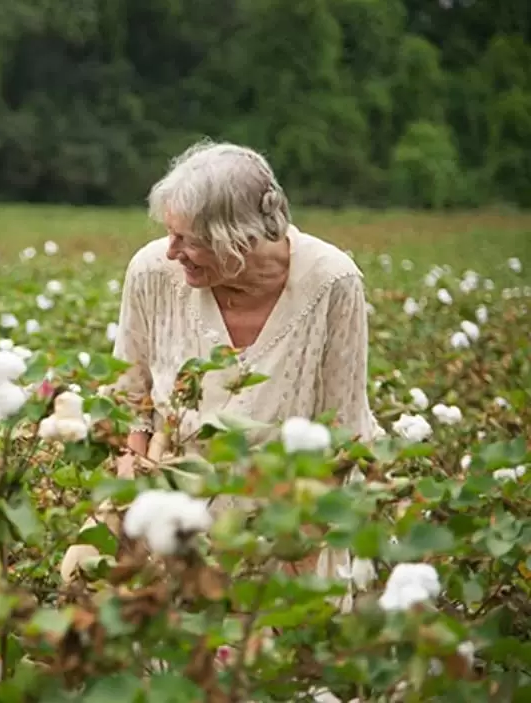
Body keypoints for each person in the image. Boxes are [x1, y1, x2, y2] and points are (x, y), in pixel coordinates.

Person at [109, 141, 382, 607]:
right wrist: (130, 509)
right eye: (170, 234)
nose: (171, 251)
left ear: (239, 239)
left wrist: (297, 545)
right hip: (177, 521)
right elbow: (129, 400)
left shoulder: (333, 282)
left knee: (285, 668)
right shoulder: (152, 271)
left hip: (291, 521)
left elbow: (343, 432)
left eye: (188, 239)